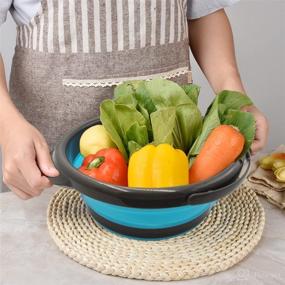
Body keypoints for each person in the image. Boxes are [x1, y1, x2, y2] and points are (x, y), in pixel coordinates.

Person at [0, 0, 268, 200]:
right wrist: (9, 127)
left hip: (171, 167)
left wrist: (234, 96)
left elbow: (202, 12)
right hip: (50, 169)